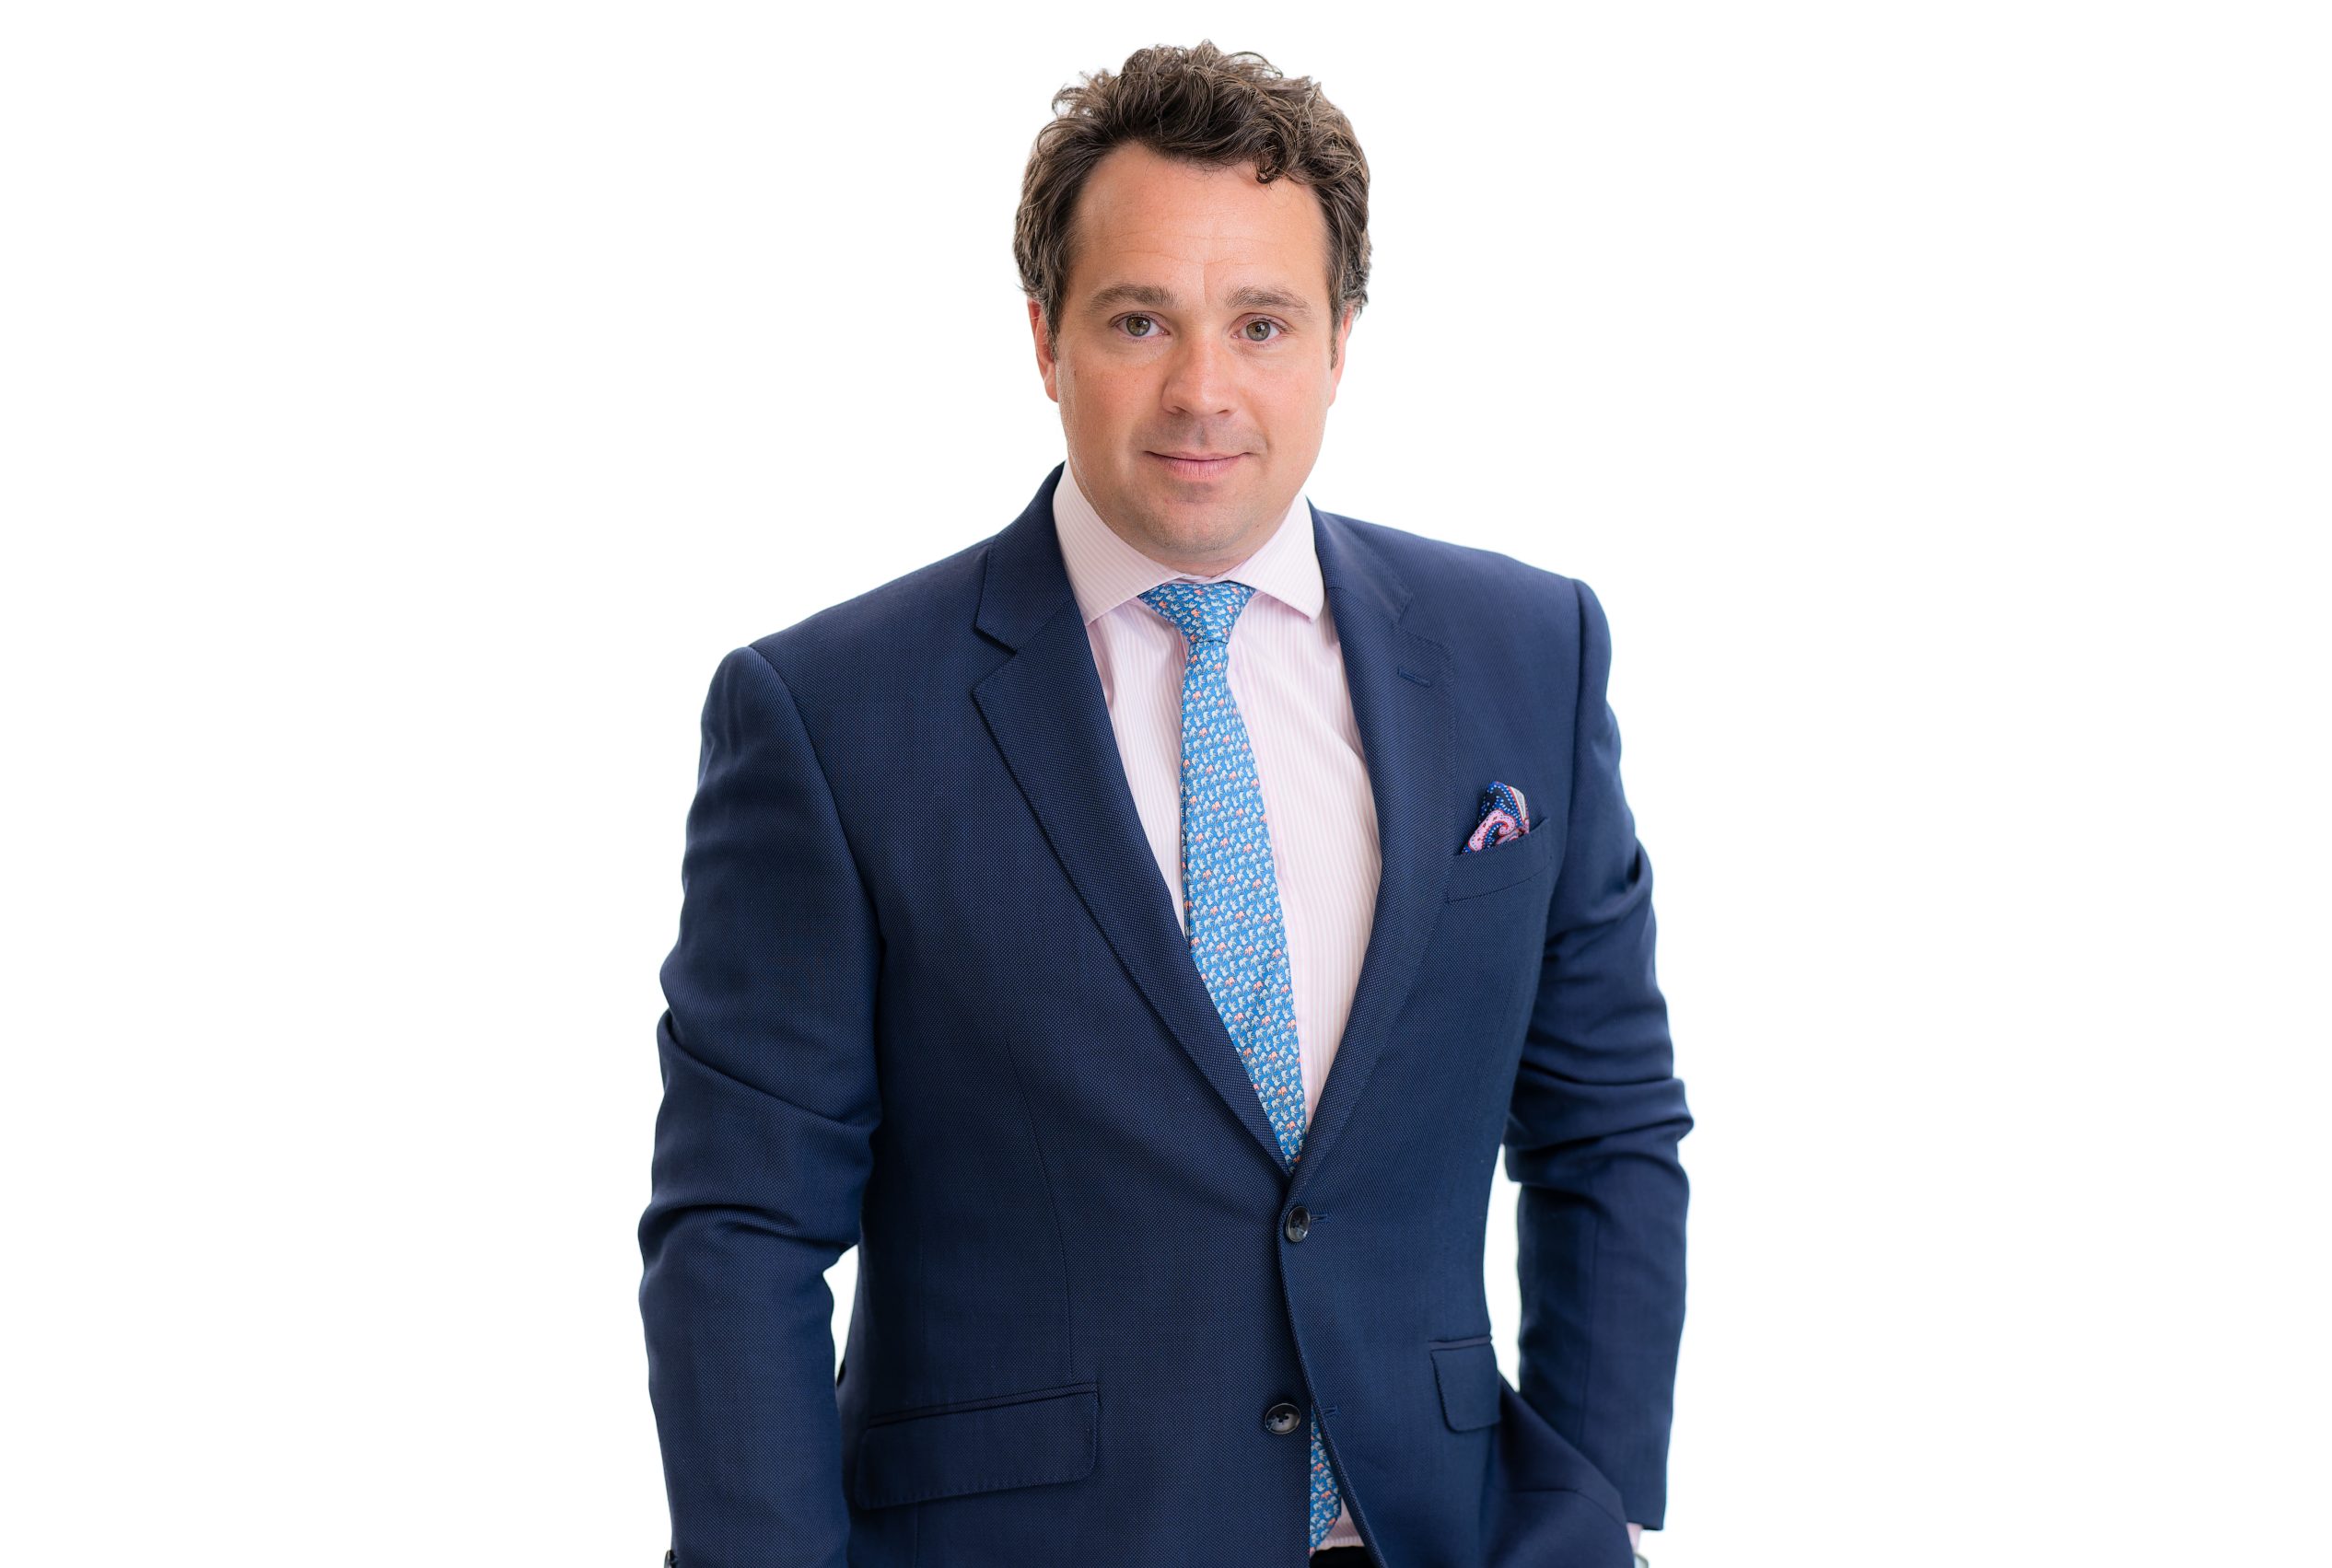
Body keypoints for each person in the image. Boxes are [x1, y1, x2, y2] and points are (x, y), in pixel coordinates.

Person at [637, 41, 1690, 1568]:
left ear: (1339, 341)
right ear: (1046, 338)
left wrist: (1589, 1503)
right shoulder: (828, 717)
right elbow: (740, 1230)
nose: (1204, 391)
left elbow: (1608, 1125)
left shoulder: (1529, 652)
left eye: (1261, 323)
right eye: (1140, 320)